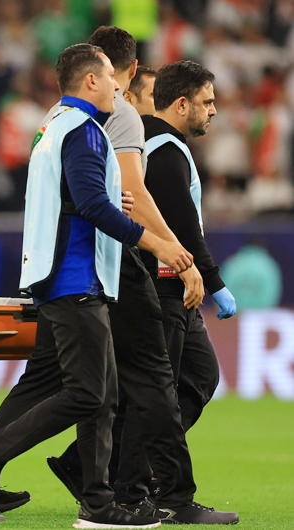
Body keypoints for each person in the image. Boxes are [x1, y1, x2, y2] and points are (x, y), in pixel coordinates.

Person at [0, 27, 237, 525]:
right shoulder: (86, 130)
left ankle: (98, 502)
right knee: (97, 393)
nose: (120, 88)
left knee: (97, 393)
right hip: (77, 275)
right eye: (112, 79)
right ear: (94, 79)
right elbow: (94, 205)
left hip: (66, 274)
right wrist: (162, 245)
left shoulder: (55, 123)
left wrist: (116, 201)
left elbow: (87, 196)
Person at [141, 60, 237, 434]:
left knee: (197, 374)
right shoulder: (165, 151)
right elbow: (183, 227)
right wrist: (215, 283)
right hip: (166, 284)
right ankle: (134, 465)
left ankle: (114, 462)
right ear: (182, 104)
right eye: (207, 101)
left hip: (174, 283)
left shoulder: (155, 143)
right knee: (159, 392)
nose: (214, 110)